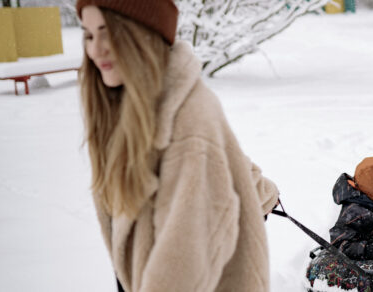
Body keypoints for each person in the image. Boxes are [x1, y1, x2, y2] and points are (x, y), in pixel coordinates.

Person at [76, 1, 280, 291]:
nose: (96, 49)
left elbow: (181, 268)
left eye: (108, 32)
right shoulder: (127, 106)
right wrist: (265, 192)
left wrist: (265, 194)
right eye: (89, 35)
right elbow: (229, 163)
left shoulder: (188, 117)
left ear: (141, 34)